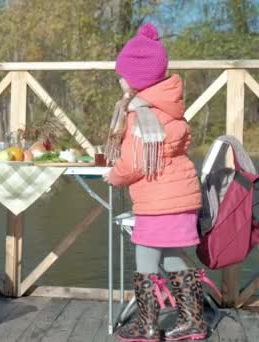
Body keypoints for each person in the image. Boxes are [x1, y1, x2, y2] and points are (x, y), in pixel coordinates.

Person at [103, 23, 208, 342]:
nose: (119, 81)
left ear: (133, 79)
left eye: (122, 75)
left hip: (158, 203)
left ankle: (147, 326)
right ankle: (194, 321)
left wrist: (114, 175)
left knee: (146, 258)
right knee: (174, 256)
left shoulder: (142, 115)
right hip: (181, 199)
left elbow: (134, 162)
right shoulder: (167, 107)